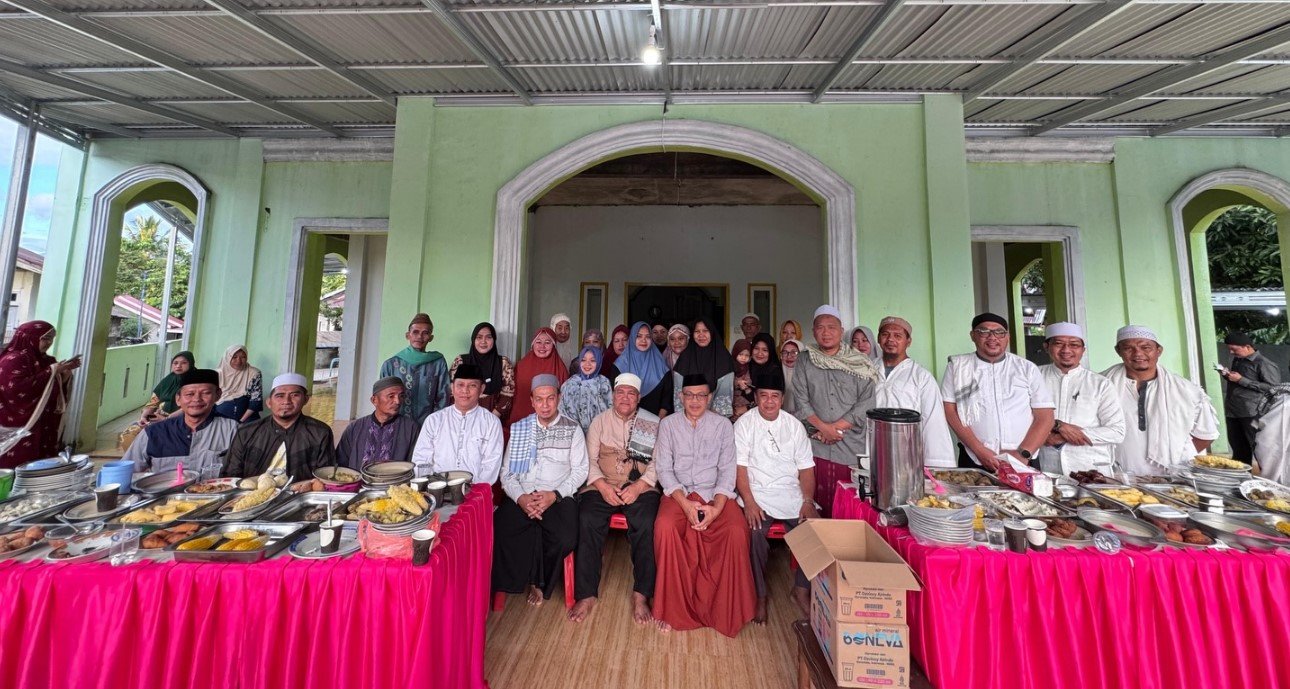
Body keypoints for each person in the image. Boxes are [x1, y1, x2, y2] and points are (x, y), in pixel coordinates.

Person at [652, 373, 756, 637]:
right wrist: (685, 504)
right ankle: (672, 610)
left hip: (714, 494)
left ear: (710, 398)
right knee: (664, 527)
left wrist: (717, 508)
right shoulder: (669, 425)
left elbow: (727, 470)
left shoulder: (722, 426)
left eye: (701, 395)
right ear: (681, 397)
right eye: (689, 395)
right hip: (679, 493)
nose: (695, 401)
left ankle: (726, 611)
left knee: (735, 531)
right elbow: (664, 469)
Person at [569, 373, 661, 625]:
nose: (625, 398)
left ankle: (641, 594)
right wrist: (602, 486)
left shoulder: (650, 422)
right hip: (602, 484)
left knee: (646, 522)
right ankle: (586, 594)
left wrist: (640, 486)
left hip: (639, 486)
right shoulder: (599, 421)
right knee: (587, 518)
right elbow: (589, 460)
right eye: (621, 393)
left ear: (638, 398)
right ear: (613, 395)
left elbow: (658, 462)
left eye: (631, 393)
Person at [494, 374, 588, 607]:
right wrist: (521, 498)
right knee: (501, 528)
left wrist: (553, 495)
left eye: (550, 399)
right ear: (532, 401)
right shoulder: (520, 429)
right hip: (524, 494)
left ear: (559, 398)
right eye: (539, 399)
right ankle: (515, 582)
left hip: (557, 495)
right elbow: (506, 474)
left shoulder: (573, 429)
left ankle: (540, 582)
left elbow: (580, 471)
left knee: (564, 536)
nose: (545, 405)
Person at [735, 374, 816, 624]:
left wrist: (808, 501)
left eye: (774, 396)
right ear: (756, 398)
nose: (769, 402)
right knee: (755, 532)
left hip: (791, 493)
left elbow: (806, 469)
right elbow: (740, 468)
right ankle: (759, 595)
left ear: (782, 399)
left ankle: (801, 590)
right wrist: (748, 501)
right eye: (763, 396)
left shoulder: (794, 426)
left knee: (814, 530)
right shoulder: (744, 424)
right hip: (757, 492)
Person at [791, 305, 878, 515]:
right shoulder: (804, 359)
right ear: (813, 331)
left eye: (831, 327)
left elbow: (867, 402)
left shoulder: (860, 362)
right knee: (813, 503)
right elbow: (801, 399)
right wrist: (823, 428)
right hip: (815, 443)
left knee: (848, 506)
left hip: (849, 444)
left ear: (841, 330)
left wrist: (834, 429)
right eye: (820, 327)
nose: (826, 332)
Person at [941, 313, 1055, 471]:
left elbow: (1045, 416)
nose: (992, 337)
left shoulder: (1027, 368)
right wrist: (980, 451)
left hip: (1024, 458)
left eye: (999, 332)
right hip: (975, 457)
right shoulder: (958, 367)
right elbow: (951, 411)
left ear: (1007, 336)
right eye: (983, 332)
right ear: (973, 335)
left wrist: (1023, 455)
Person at [1102, 326, 1219, 475]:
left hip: (1172, 478)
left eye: (1146, 347)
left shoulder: (1187, 390)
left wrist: (1177, 457)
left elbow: (1206, 435)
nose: (1138, 353)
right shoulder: (1099, 386)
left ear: (1159, 350)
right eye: (1128, 348)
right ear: (1118, 351)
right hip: (1115, 477)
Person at [1037, 323, 1125, 475]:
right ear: (1047, 346)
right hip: (1047, 469)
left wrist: (1066, 436)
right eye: (1058, 344)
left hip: (1093, 471)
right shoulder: (1034, 377)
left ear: (1083, 350)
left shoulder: (1100, 384)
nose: (1066, 350)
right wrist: (1055, 427)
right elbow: (1019, 419)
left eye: (1074, 345)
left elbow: (1117, 431)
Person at [875, 317, 956, 468]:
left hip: (905, 457)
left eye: (898, 336)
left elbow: (933, 422)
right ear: (878, 338)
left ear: (908, 341)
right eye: (885, 334)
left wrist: (937, 467)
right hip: (870, 452)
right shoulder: (866, 370)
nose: (890, 340)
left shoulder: (921, 377)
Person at [123, 368, 237, 475]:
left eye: (205, 393)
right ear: (178, 399)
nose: (197, 399)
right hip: (165, 496)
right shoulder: (153, 433)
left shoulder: (233, 430)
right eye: (189, 394)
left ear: (218, 395)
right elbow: (126, 474)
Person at [222, 373, 335, 479]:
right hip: (251, 497)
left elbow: (325, 475)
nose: (286, 401)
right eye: (279, 396)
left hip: (299, 497)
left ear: (305, 400)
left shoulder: (320, 432)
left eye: (295, 395)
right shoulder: (247, 432)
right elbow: (230, 474)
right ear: (269, 402)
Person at [0, 321, 78, 469]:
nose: (49, 343)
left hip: (44, 420)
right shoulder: (13, 360)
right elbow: (16, 390)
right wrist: (53, 371)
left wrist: (64, 373)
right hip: (20, 421)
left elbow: (53, 385)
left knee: (42, 463)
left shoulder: (46, 360)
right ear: (30, 337)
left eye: (52, 339)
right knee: (20, 461)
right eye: (45, 338)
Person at [411, 364, 505, 482]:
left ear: (481, 389)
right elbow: (421, 460)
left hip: (475, 491)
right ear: (452, 387)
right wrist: (433, 486)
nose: (465, 391)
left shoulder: (491, 423)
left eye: (472, 386)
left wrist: (473, 490)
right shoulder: (434, 420)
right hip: (437, 489)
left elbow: (491, 465)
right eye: (460, 385)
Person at [1220, 330, 1281, 463]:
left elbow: (1274, 388)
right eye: (1229, 349)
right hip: (1233, 412)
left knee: (1259, 447)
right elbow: (1238, 381)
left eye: (1234, 349)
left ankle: (1266, 479)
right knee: (1239, 449)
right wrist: (1228, 375)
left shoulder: (1263, 363)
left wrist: (1241, 380)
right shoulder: (1238, 360)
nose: (1231, 352)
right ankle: (1240, 479)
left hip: (1253, 413)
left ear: (1247, 347)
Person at [379, 313, 450, 423]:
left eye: (425, 333)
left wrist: (435, 423)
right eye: (415, 332)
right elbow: (383, 399)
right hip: (397, 425)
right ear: (408, 335)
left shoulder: (437, 362)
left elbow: (443, 396)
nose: (419, 337)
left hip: (428, 425)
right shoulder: (390, 365)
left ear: (431, 338)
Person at [335, 376, 420, 469]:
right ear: (374, 400)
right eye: (391, 396)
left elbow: (414, 465)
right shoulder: (355, 428)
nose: (397, 401)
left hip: (395, 483)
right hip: (357, 483)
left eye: (401, 396)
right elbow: (340, 464)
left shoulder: (411, 428)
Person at [451, 322, 516, 424]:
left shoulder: (503, 363)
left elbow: (508, 394)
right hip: (463, 418)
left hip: (494, 418)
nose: (483, 341)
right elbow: (453, 392)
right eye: (479, 337)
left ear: (494, 340)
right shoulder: (461, 361)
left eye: (488, 337)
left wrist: (490, 419)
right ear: (473, 340)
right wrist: (464, 416)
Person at [672, 317, 735, 417]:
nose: (701, 335)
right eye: (697, 331)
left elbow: (724, 396)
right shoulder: (685, 358)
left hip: (715, 420)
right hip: (687, 419)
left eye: (705, 331)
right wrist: (688, 419)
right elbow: (679, 394)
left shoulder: (723, 359)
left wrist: (708, 421)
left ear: (712, 333)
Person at [511, 328, 571, 426]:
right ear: (532, 345)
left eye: (547, 343)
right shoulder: (521, 366)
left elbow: (565, 399)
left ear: (554, 345)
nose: (542, 346)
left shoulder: (560, 368)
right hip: (522, 421)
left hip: (551, 422)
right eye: (538, 342)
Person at [615, 321, 674, 418]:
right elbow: (615, 398)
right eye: (639, 336)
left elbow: (666, 400)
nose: (643, 340)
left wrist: (655, 423)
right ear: (633, 337)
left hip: (655, 423)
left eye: (647, 336)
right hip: (624, 422)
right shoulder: (619, 366)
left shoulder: (662, 366)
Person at [559, 346, 613, 432]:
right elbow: (562, 410)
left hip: (599, 432)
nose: (587, 364)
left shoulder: (603, 383)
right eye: (583, 360)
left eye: (593, 360)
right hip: (573, 433)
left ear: (599, 362)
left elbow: (610, 409)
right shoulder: (569, 384)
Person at [138, 351, 194, 425]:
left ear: (191, 364)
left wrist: (166, 419)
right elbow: (153, 402)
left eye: (183, 363)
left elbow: (191, 407)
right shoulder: (168, 379)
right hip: (160, 416)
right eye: (175, 363)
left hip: (182, 421)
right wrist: (144, 417)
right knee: (130, 432)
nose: (178, 366)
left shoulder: (196, 382)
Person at [214, 344, 262, 422]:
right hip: (220, 420)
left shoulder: (254, 373)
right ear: (227, 357)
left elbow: (256, 401)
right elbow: (210, 400)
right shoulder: (216, 374)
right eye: (234, 357)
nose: (239, 361)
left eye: (243, 357)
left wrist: (240, 422)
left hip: (247, 419)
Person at [731, 339, 753, 418]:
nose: (743, 358)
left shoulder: (750, 368)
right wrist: (737, 382)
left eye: (747, 355)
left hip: (745, 404)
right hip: (732, 402)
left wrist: (747, 387)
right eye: (740, 354)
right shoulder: (730, 367)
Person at [780, 339, 803, 413]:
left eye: (794, 352)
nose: (789, 356)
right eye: (785, 352)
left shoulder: (809, 376)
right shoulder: (774, 374)